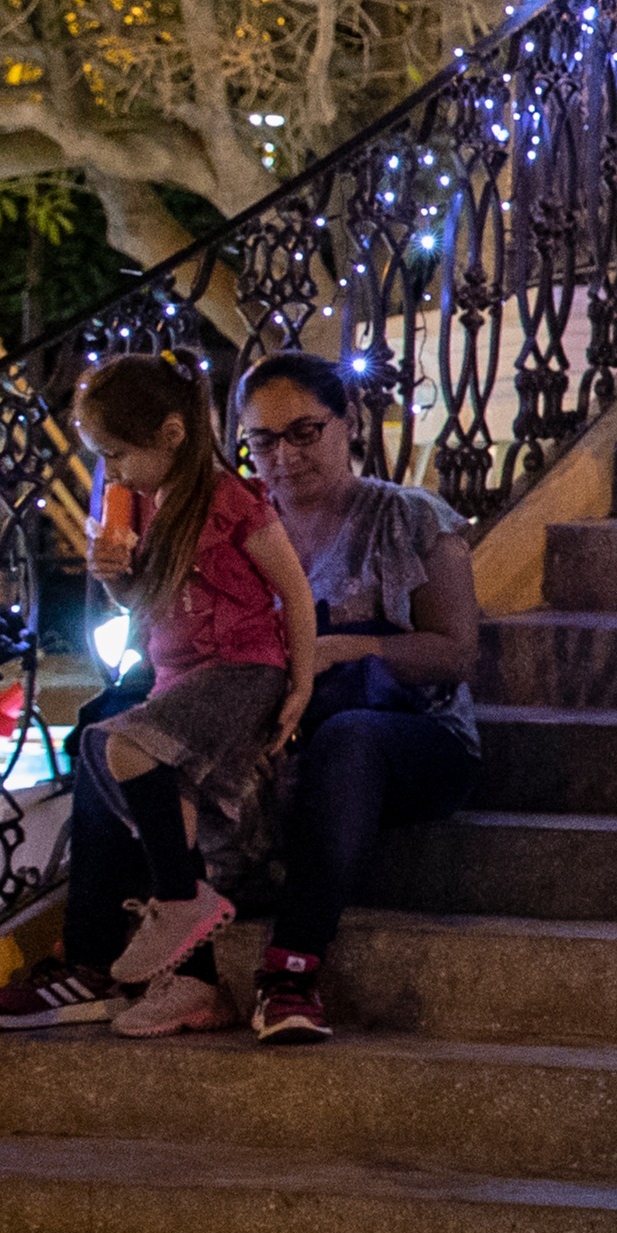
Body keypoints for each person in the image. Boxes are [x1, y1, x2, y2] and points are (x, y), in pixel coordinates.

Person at [46, 355, 327, 1039]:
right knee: (169, 813)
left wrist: (301, 680)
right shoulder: (141, 505)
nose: (111, 471)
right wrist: (114, 577)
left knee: (118, 743)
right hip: (180, 672)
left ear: (171, 435)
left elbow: (292, 588)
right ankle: (195, 985)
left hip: (242, 665)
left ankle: (180, 900)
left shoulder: (230, 498)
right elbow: (145, 604)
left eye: (117, 453)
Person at [210, 351, 485, 1047]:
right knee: (110, 724)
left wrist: (342, 649)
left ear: (348, 422)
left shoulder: (411, 519)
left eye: (304, 430)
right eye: (263, 440)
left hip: (411, 736)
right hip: (281, 729)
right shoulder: (241, 532)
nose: (284, 455)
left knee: (350, 738)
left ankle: (292, 965)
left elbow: (455, 652)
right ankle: (96, 957)